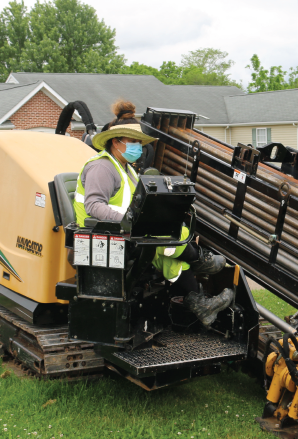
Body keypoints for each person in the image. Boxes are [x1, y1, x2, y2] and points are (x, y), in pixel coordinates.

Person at [73, 100, 232, 327]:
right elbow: (94, 206)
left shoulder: (125, 168)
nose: (139, 147)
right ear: (116, 142)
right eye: (134, 142)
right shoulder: (102, 167)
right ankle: (198, 261)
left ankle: (199, 302)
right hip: (101, 233)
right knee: (161, 238)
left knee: (167, 233)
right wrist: (131, 222)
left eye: (140, 142)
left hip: (124, 230)